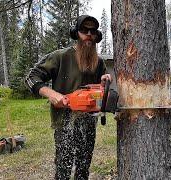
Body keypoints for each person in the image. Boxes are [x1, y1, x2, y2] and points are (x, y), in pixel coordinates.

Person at [25, 15, 111, 180]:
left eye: (92, 31)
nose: (89, 34)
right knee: (63, 169)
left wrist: (104, 81)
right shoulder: (61, 56)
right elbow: (31, 78)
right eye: (84, 30)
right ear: (76, 33)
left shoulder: (99, 62)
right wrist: (52, 94)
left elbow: (102, 87)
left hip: (88, 123)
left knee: (83, 168)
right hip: (65, 121)